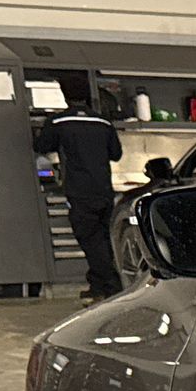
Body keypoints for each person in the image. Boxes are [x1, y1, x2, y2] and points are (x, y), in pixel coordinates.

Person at [34, 87, 124, 299]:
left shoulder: (58, 122)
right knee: (103, 238)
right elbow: (116, 154)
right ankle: (99, 286)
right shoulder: (103, 122)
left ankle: (112, 287)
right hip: (104, 189)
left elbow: (41, 146)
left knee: (89, 239)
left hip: (80, 190)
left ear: (64, 97)